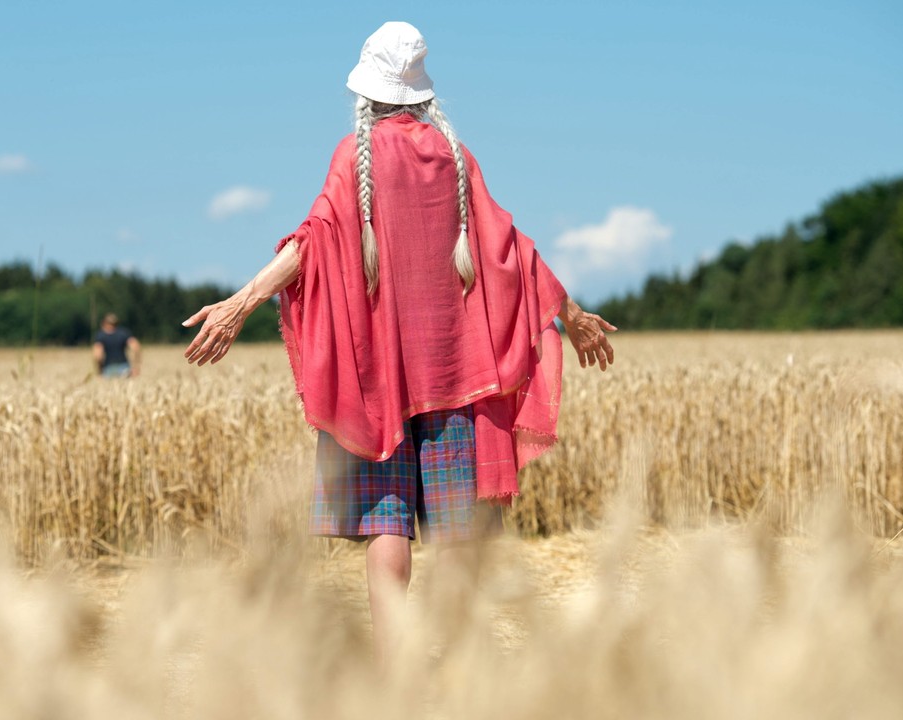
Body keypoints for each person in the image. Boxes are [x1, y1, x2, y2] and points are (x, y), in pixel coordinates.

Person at [182, 21, 615, 658]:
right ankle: (457, 657)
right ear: (421, 94)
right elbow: (509, 252)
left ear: (368, 92)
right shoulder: (455, 158)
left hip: (378, 383)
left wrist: (242, 302)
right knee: (460, 532)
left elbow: (311, 243)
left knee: (389, 526)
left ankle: (394, 669)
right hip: (453, 376)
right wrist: (569, 314)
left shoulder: (353, 157)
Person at [93, 313, 141, 378]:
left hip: (108, 369)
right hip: (125, 368)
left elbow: (98, 355)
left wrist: (100, 370)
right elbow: (136, 347)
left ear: (104, 323)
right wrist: (135, 367)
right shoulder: (124, 333)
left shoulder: (101, 336)